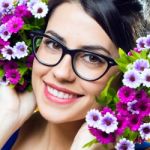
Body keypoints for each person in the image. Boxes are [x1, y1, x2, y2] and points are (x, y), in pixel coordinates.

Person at [0, 0, 148, 149]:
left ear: (127, 76)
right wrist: (7, 117)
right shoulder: (8, 124)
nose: (61, 72)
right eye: (54, 44)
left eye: (92, 58)